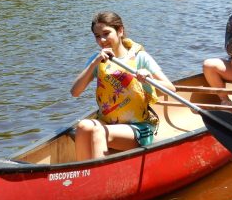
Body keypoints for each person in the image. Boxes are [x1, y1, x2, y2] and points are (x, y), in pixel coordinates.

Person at [70, 11, 175, 160]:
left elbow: (171, 89)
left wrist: (149, 78)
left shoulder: (140, 57)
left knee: (99, 132)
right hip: (108, 123)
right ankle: (85, 174)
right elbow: (75, 92)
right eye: (97, 36)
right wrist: (94, 63)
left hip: (139, 128)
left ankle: (99, 178)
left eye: (106, 33)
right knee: (83, 127)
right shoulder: (97, 60)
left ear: (120, 31)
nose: (102, 40)